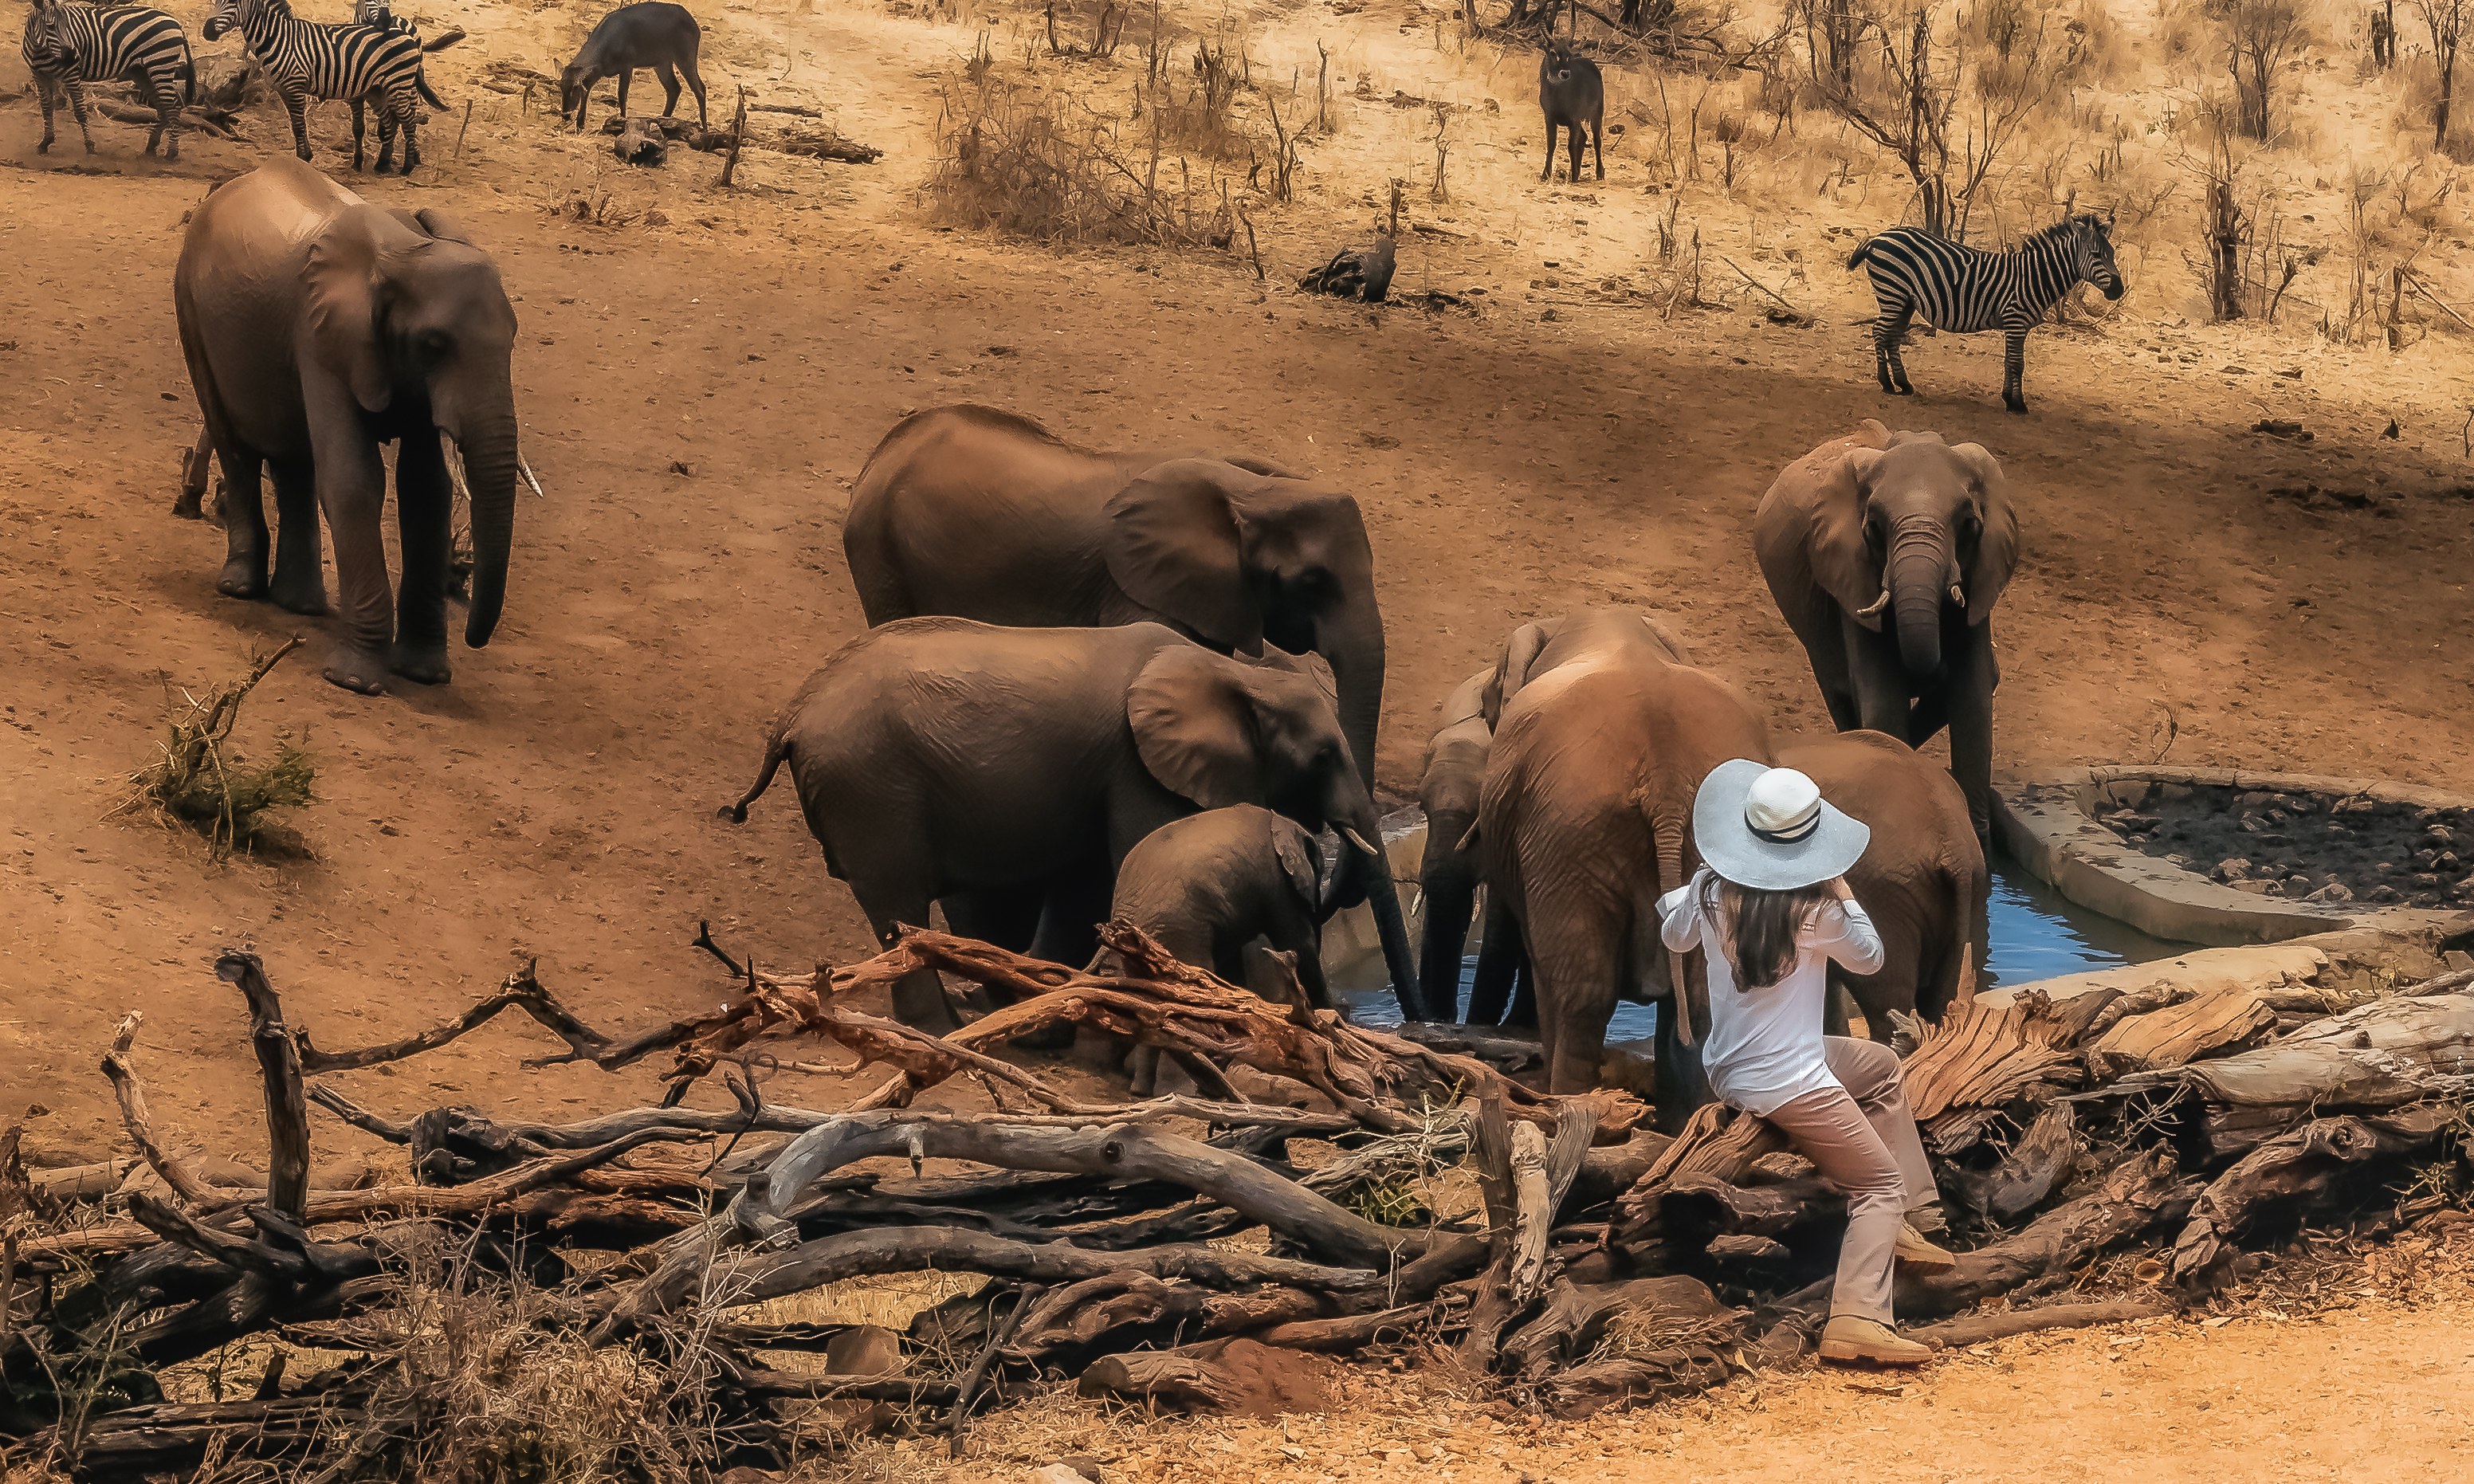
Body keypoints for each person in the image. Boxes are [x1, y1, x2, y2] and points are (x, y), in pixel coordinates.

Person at [1658, 759, 1956, 1366]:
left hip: (1733, 1066)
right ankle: (1857, 1319)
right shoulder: (1816, 914)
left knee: (1878, 1067)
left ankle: (1916, 1213)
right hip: (1793, 1082)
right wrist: (1844, 892)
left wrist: (1696, 886)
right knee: (1876, 1185)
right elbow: (1870, 958)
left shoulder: (1712, 892)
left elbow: (1673, 938)